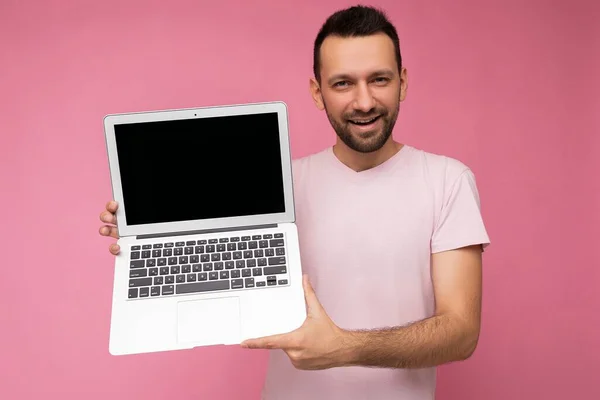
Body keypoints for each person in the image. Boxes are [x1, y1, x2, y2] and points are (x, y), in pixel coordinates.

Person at [99, 5, 490, 400]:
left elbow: (460, 333)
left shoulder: (447, 181)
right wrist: (145, 232)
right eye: (342, 84)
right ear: (317, 92)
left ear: (402, 82)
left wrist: (345, 347)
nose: (365, 101)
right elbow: (199, 239)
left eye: (380, 79)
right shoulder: (280, 185)